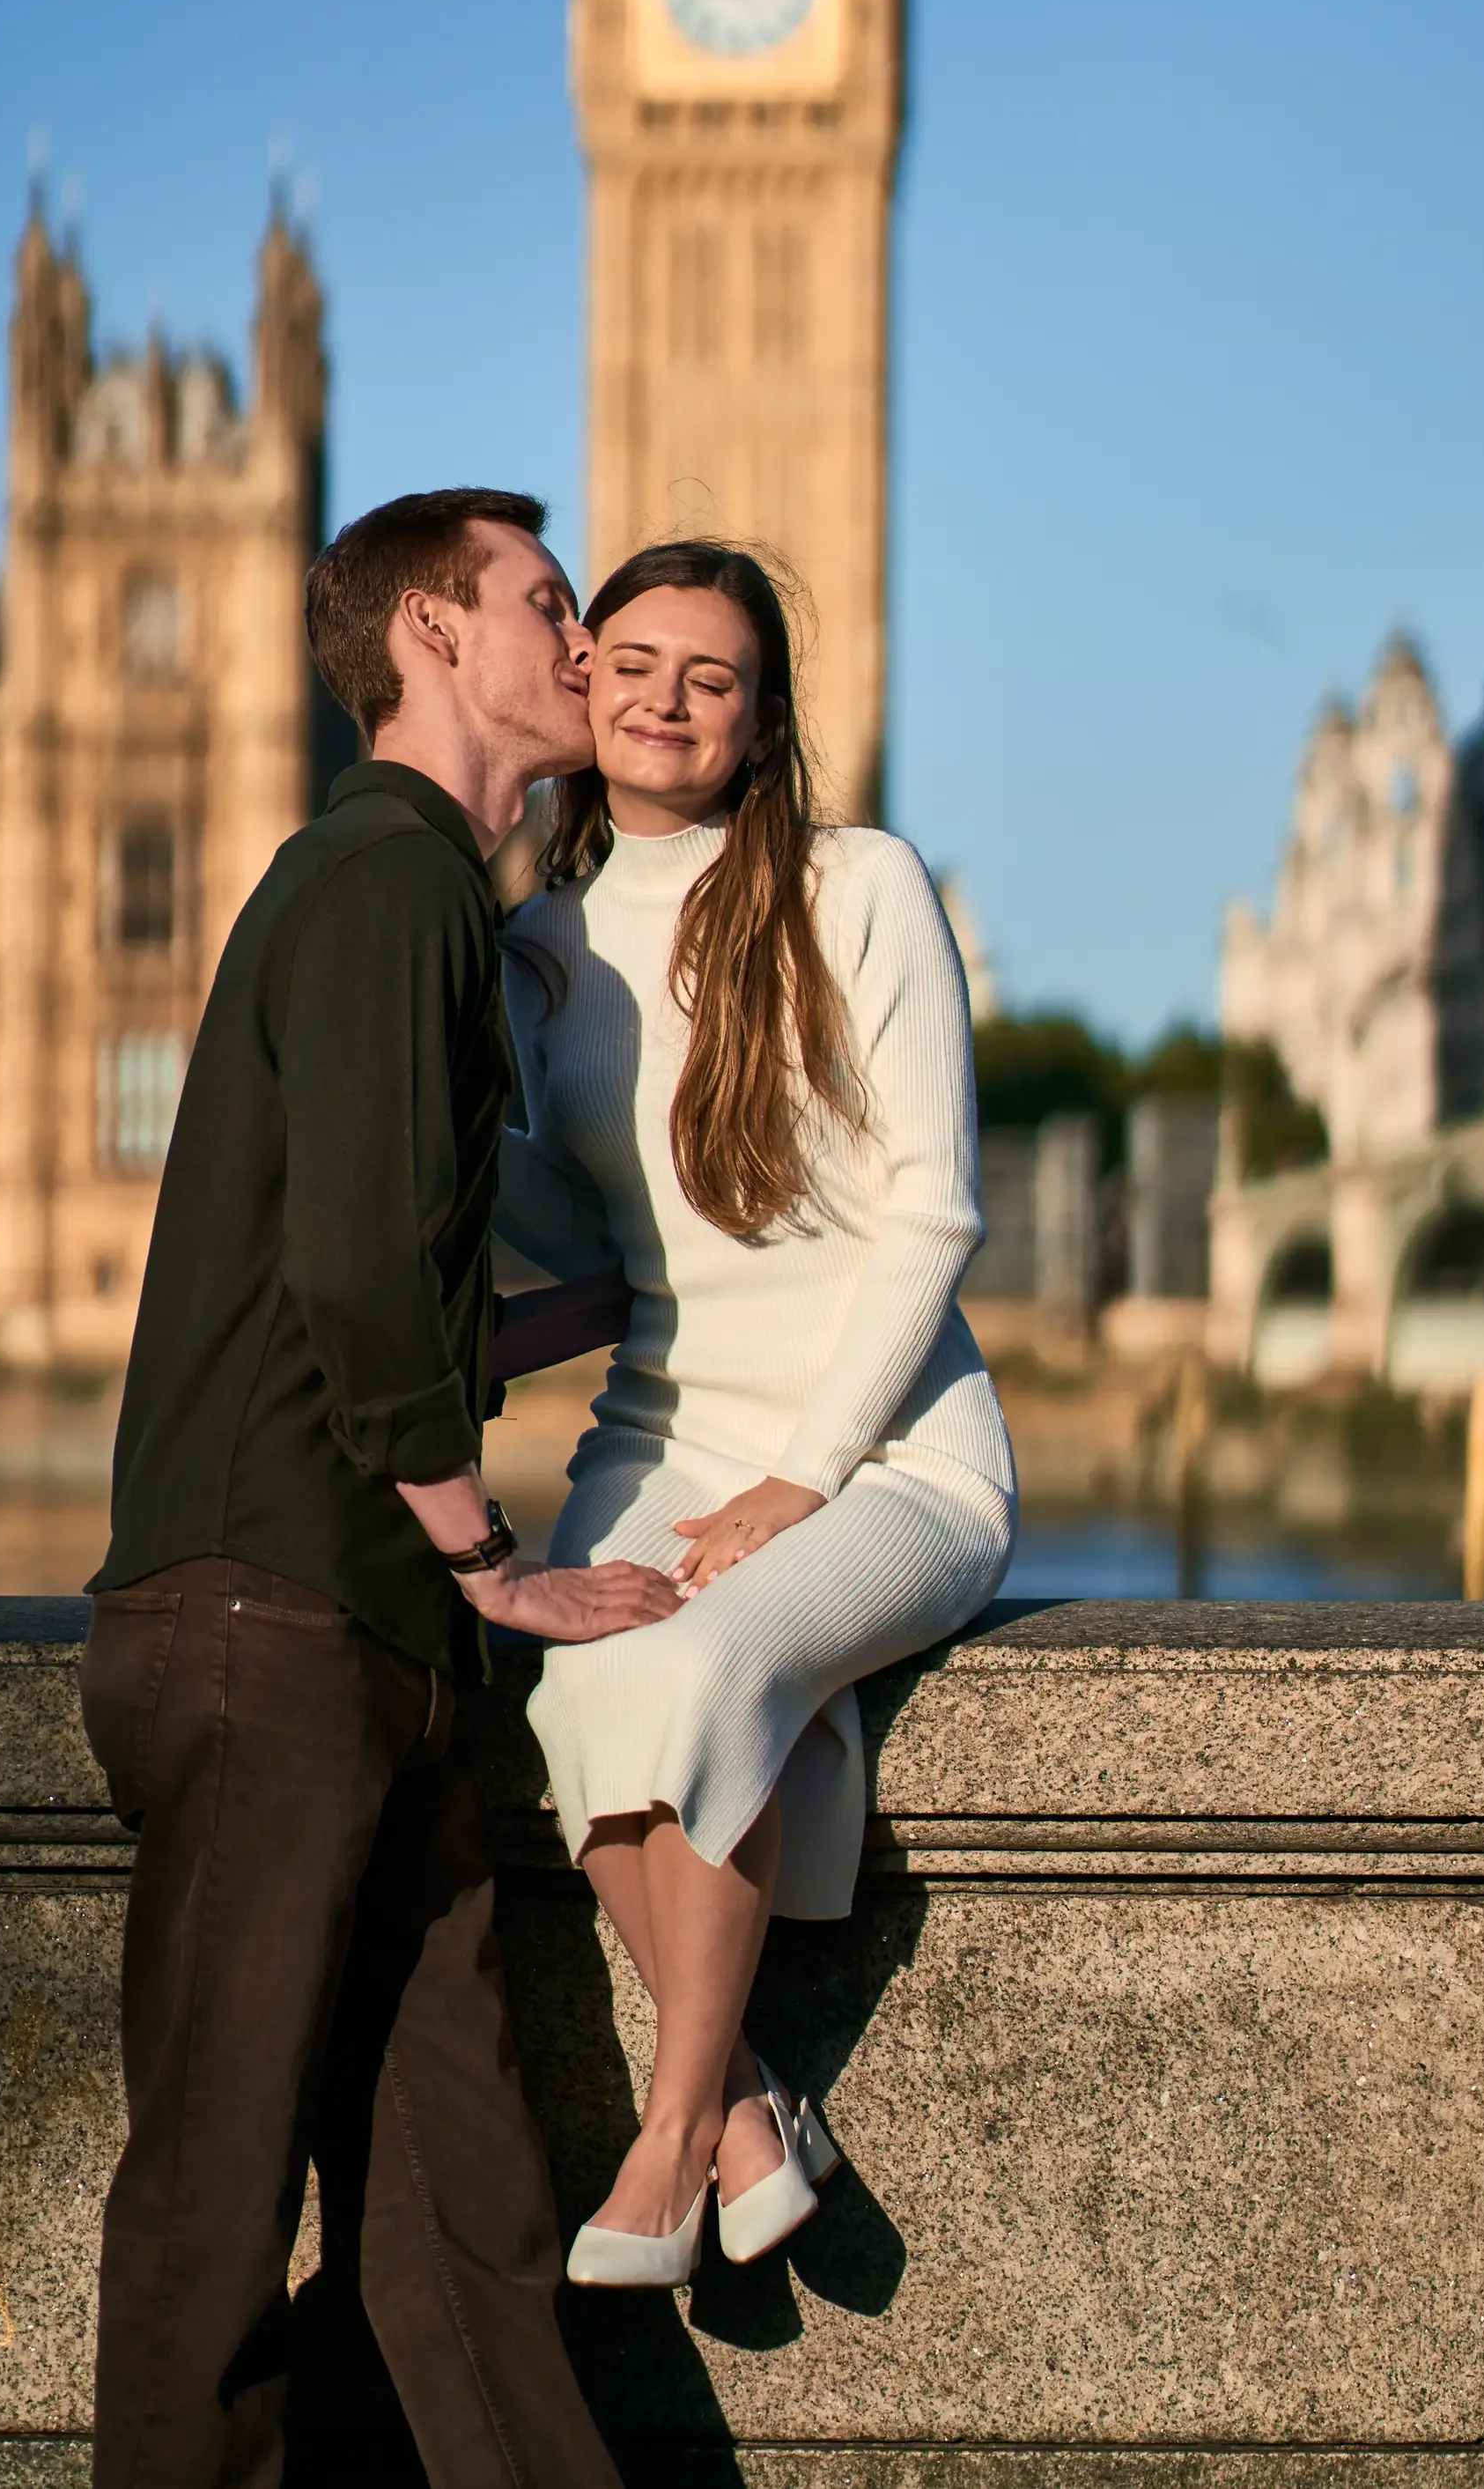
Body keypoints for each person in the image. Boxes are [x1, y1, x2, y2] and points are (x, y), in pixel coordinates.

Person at [79, 486, 678, 2489]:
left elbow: (381, 1302)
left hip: (370, 1644)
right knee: (215, 2213)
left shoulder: (424, 892)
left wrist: (641, 1293)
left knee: (463, 2224)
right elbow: (344, 1274)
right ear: (428, 632)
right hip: (269, 1621)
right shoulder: (381, 876)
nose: (585, 639)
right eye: (546, 598)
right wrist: (488, 1553)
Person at [498, 540, 1017, 2287]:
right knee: (573, 1670)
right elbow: (578, 1241)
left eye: (707, 675)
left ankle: (667, 2126)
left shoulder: (859, 885)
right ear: (582, 690)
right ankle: (752, 2109)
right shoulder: (533, 950)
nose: (660, 695)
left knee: (712, 1655)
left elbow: (931, 1211)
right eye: (629, 659)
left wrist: (805, 1474)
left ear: (760, 719)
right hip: (656, 1433)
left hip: (888, 1451)